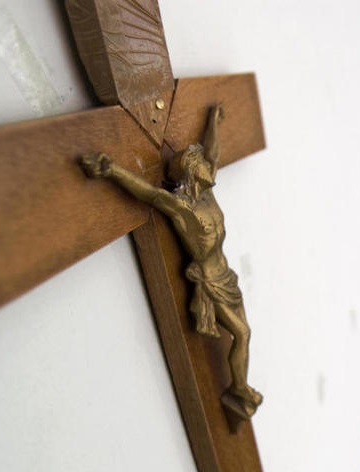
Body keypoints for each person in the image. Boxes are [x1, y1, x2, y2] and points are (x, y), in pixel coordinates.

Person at [81, 103, 263, 420]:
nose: (209, 164)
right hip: (209, 285)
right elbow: (151, 195)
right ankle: (240, 388)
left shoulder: (208, 193)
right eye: (201, 162)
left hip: (228, 278)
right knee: (242, 334)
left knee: (246, 333)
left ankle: (241, 388)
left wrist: (213, 121)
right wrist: (113, 170)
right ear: (193, 170)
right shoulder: (183, 209)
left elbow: (214, 152)